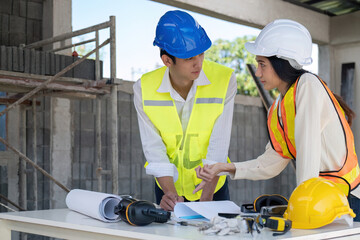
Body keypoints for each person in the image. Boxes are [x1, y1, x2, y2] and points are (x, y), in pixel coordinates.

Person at [194, 19, 360, 221]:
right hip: (321, 199)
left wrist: (303, 205)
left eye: (262, 64)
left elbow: (309, 150)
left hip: (345, 200)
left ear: (282, 63)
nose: (257, 72)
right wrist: (225, 168)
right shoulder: (278, 107)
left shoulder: (308, 85)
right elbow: (270, 163)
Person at [133, 10, 237, 211]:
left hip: (213, 186)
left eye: (201, 53)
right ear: (167, 60)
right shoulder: (143, 89)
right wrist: (169, 193)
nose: (198, 62)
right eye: (189, 57)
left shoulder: (225, 80)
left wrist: (207, 197)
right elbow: (153, 148)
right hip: (168, 187)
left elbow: (219, 142)